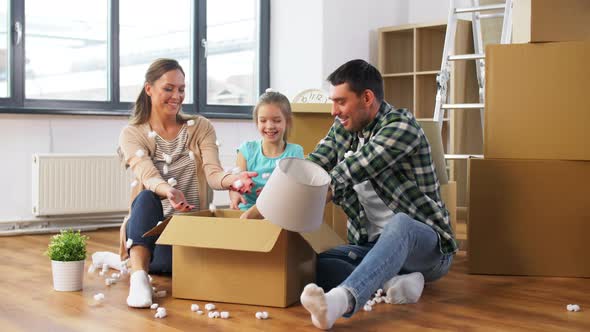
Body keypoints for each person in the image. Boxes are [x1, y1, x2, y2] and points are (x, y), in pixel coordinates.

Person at [295, 59, 457, 329]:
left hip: (429, 249)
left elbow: (356, 167)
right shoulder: (342, 129)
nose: (334, 111)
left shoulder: (401, 127)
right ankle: (394, 281)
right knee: (317, 262)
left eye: (341, 102)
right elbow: (315, 163)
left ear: (367, 97)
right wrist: (278, 189)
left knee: (400, 223)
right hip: (373, 247)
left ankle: (340, 301)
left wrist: (319, 193)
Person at [117, 58, 256, 308]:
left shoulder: (199, 127)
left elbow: (213, 172)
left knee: (173, 266)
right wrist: (168, 190)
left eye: (181, 89)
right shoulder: (132, 133)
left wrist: (233, 180)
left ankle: (133, 261)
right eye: (168, 88)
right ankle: (138, 277)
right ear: (149, 89)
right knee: (146, 198)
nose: (177, 95)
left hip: (188, 231)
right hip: (151, 230)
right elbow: (147, 175)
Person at [229, 89, 304, 213]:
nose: (269, 126)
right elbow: (236, 182)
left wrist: (273, 195)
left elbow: (296, 190)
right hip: (247, 212)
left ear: (288, 121)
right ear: (257, 121)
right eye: (263, 120)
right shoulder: (246, 150)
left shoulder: (295, 152)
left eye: (277, 120)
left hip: (280, 213)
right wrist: (234, 194)